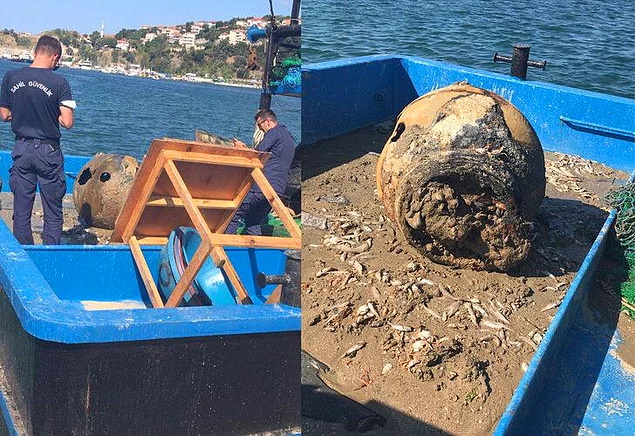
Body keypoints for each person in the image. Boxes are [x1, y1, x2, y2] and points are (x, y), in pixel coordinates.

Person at [0, 35, 75, 245]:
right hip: (48, 151)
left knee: (21, 208)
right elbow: (67, 122)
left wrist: (22, 114)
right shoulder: (59, 82)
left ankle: (24, 252)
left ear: (35, 52)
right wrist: (56, 116)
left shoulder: (11, 77)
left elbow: (4, 115)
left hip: (21, 148)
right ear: (55, 57)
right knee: (52, 208)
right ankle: (50, 254)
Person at [227, 108, 295, 235]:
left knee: (233, 215)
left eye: (260, 124)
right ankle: (254, 250)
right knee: (254, 220)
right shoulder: (289, 137)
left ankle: (224, 249)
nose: (259, 128)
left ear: (268, 121)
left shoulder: (274, 132)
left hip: (263, 185)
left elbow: (257, 154)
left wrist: (242, 148)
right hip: (278, 188)